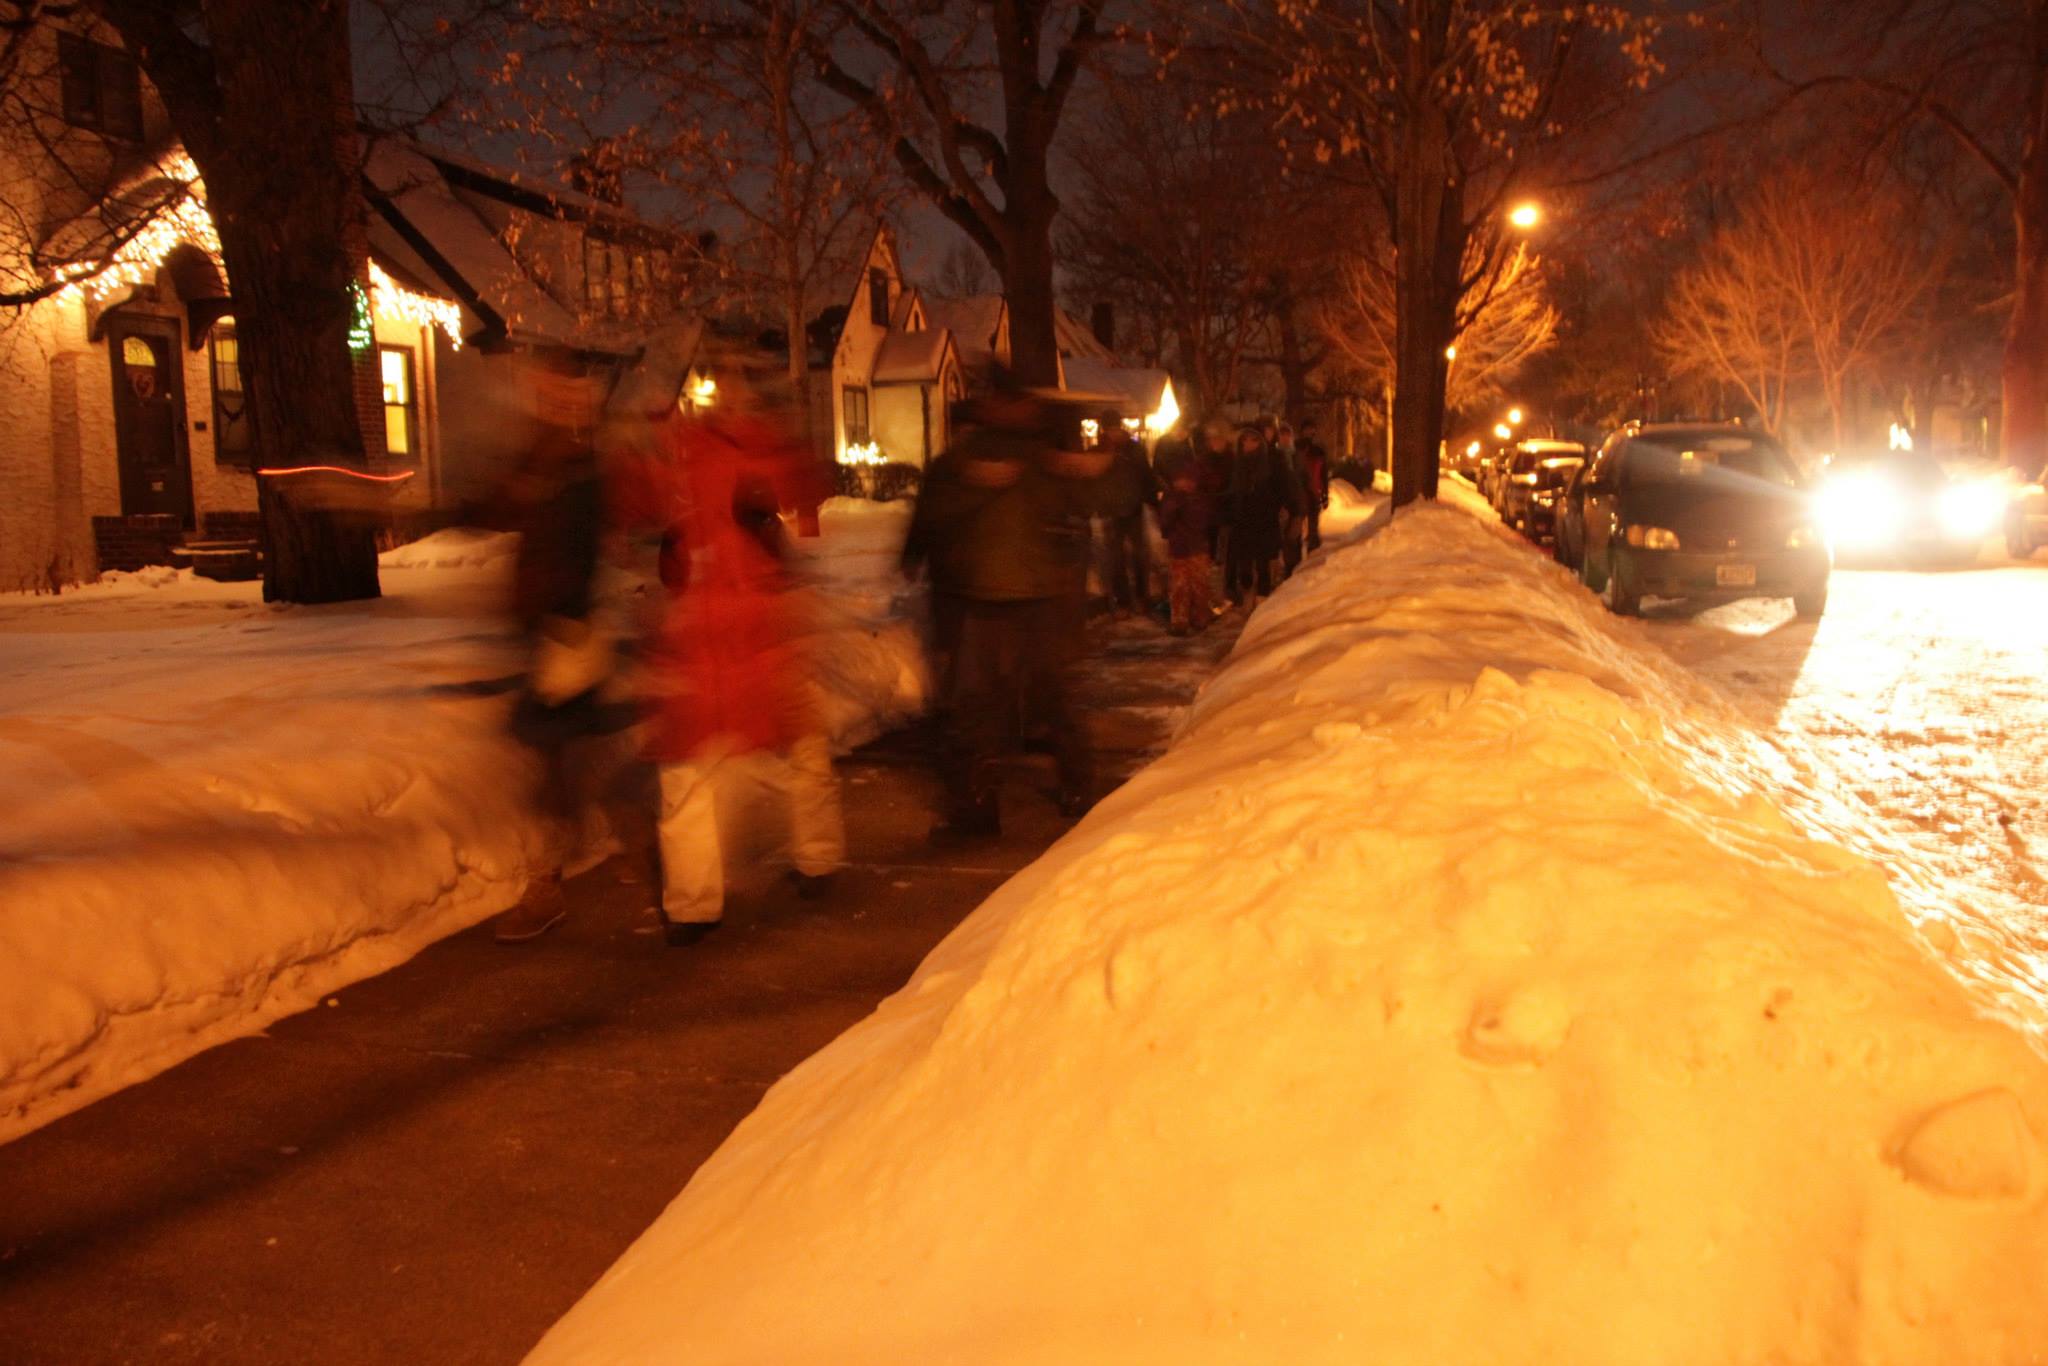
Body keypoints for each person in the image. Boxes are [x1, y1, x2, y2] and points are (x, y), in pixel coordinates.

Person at [618, 372, 845, 945]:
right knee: (694, 771)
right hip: (710, 632)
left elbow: (807, 489)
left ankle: (809, 860)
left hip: (748, 627)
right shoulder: (687, 450)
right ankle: (698, 901)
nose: (733, 395)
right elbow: (634, 503)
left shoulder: (747, 447)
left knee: (789, 749)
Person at [912, 381, 1112, 841]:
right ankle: (1077, 789)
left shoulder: (970, 459)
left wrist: (917, 549)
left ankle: (979, 809)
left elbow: (934, 511)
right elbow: (1092, 499)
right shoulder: (1040, 458)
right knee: (1048, 697)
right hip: (1026, 598)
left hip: (992, 600)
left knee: (983, 707)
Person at [490, 353, 623, 944]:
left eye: (570, 397)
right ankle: (649, 860)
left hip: (564, 636)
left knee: (555, 766)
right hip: (545, 634)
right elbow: (499, 508)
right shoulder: (540, 458)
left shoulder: (582, 471)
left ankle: (546, 887)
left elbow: (582, 550)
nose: (559, 406)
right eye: (550, 396)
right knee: (567, 762)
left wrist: (562, 620)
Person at [1093, 410, 1161, 616]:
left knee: (1137, 555)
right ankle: (1125, 600)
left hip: (1130, 507)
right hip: (1113, 509)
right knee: (1117, 558)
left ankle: (1140, 597)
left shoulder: (1132, 449)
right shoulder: (1102, 450)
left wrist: (1151, 498)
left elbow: (1145, 475)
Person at [1224, 425, 1285, 607]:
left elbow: (1282, 490)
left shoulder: (1270, 465)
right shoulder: (1236, 465)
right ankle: (1245, 590)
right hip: (1242, 521)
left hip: (1264, 520)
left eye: (1253, 440)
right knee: (1244, 562)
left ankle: (1262, 598)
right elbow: (1229, 492)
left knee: (1263, 561)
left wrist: (1285, 509)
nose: (1249, 444)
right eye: (1245, 440)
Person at [1156, 458, 1215, 636]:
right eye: (1180, 480)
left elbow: (1204, 521)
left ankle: (1200, 616)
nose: (1184, 484)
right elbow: (1165, 522)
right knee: (1179, 585)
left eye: (1188, 480)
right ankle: (1180, 620)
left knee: (1199, 584)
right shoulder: (1171, 498)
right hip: (1179, 547)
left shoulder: (1201, 499)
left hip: (1197, 547)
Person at [1297, 417, 1331, 552]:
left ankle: (1312, 557)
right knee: (1297, 529)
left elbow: (1323, 474)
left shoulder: (1318, 451)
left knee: (1313, 529)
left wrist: (1325, 494)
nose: (1310, 432)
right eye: (1307, 429)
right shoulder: (1295, 449)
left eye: (1312, 429)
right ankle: (1295, 561)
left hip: (1313, 492)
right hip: (1299, 493)